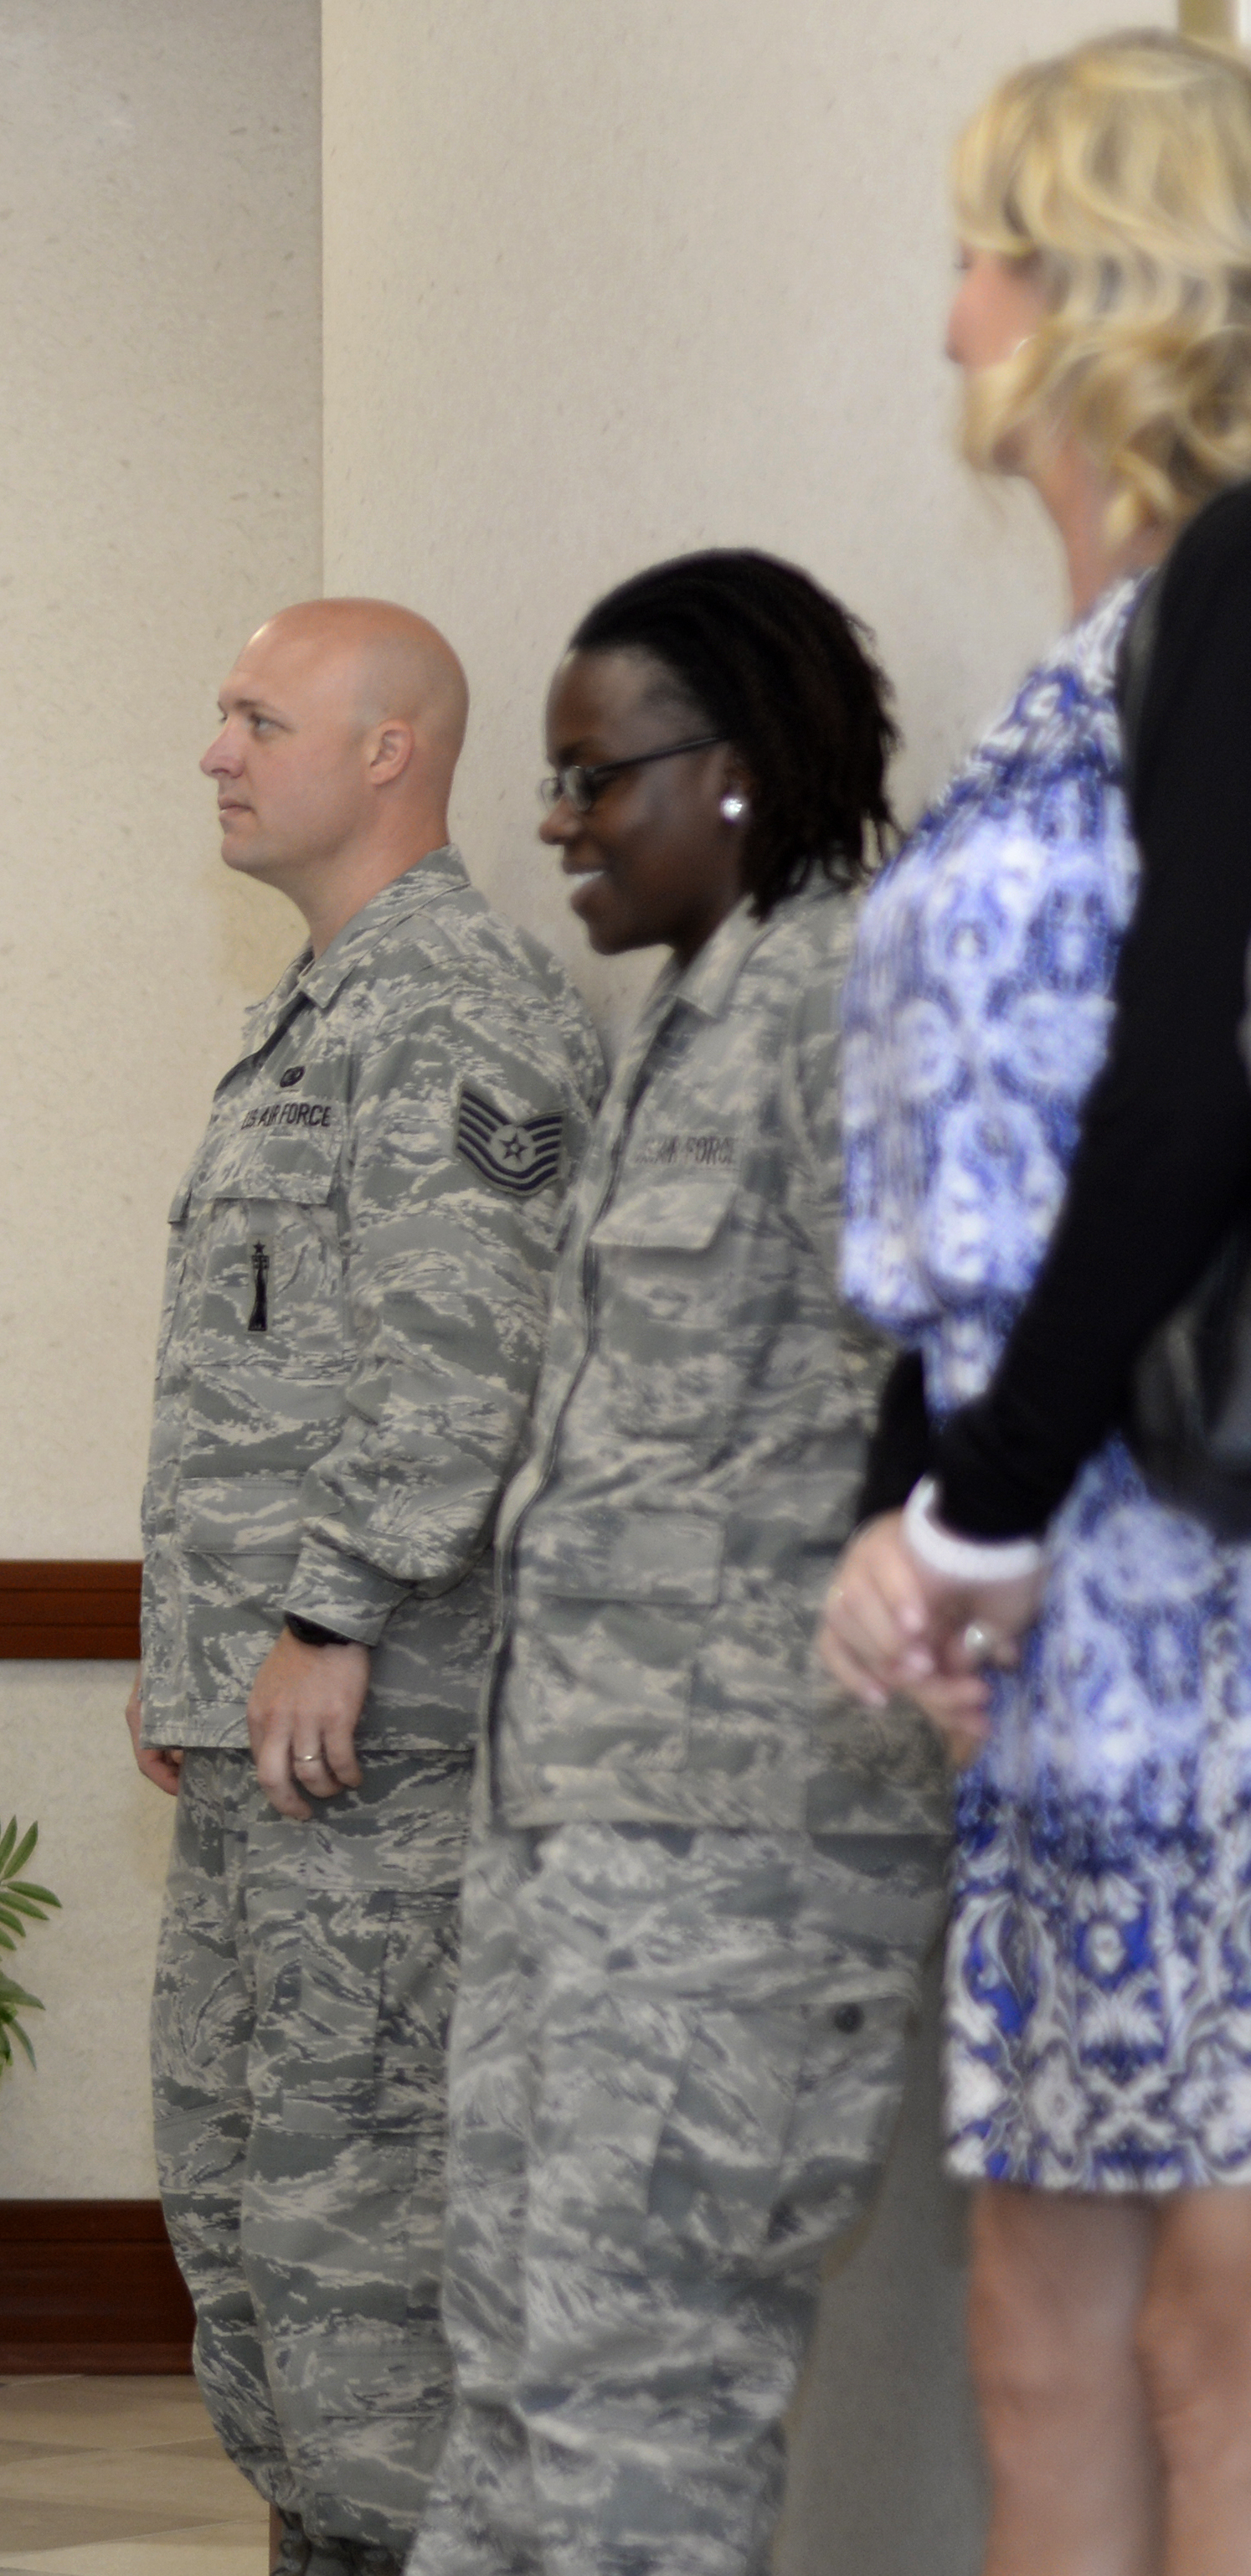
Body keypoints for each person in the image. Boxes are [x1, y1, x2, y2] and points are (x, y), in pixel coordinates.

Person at [816, 31, 1251, 2568]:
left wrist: (971, 1511)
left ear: (1093, 278)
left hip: (1189, 1572)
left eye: (983, 247)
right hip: (1048, 1609)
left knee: (1215, 2329)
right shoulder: (1064, 670)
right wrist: (918, 1503)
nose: (949, 309)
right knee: (1033, 2308)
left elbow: (1193, 1091)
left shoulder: (1243, 580)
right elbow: (975, 1161)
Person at [413, 553, 937, 2576]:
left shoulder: (862, 999)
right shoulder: (671, 1026)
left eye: (588, 776)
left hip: (748, 1842)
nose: (554, 823)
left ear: (733, 769)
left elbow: (977, 1347)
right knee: (509, 2363)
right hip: (564, 1821)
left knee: (640, 2388)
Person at [138, 599, 603, 2576]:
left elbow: (462, 1361)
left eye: (258, 713)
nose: (216, 748)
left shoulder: (457, 1008)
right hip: (268, 1746)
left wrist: (331, 1611)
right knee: (256, 2263)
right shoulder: (314, 1014)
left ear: (390, 748)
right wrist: (187, 1650)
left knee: (368, 2286)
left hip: (380, 1750)